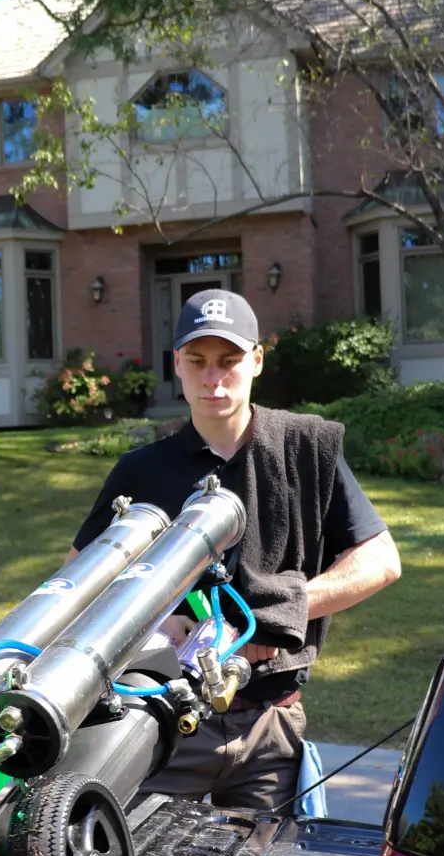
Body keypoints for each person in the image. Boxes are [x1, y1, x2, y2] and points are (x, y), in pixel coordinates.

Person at [70, 288, 400, 812]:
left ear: (257, 360)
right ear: (176, 363)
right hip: (162, 722)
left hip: (272, 726)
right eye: (197, 361)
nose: (213, 379)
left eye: (229, 361)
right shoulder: (141, 471)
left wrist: (267, 619)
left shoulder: (305, 449)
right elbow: (76, 587)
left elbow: (381, 561)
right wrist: (155, 625)